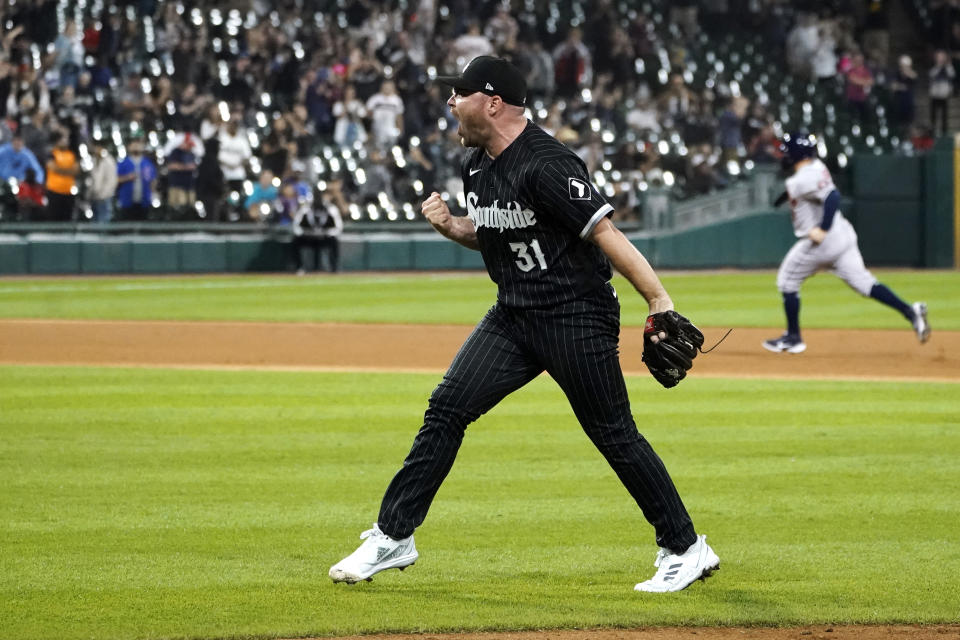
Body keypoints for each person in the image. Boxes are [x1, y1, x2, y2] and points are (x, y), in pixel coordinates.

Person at [329, 56, 720, 594]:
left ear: (492, 103)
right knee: (446, 409)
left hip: (575, 314)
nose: (449, 103)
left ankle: (685, 547)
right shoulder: (478, 165)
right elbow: (494, 231)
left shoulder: (547, 163)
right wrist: (451, 227)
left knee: (613, 434)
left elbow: (606, 233)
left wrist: (658, 299)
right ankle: (394, 536)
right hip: (513, 315)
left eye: (459, 94)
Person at [763, 132, 930, 354]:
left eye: (785, 152)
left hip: (823, 241)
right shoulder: (815, 167)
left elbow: (832, 197)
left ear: (795, 154)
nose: (782, 156)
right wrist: (787, 196)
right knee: (865, 283)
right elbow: (817, 190)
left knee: (787, 281)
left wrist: (822, 228)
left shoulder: (800, 180)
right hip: (843, 234)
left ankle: (793, 338)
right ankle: (911, 312)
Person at [116, 137, 157, 221]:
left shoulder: (147, 163)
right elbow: (116, 179)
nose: (136, 147)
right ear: (129, 147)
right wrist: (128, 177)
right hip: (127, 200)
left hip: (144, 200)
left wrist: (153, 193)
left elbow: (153, 180)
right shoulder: (123, 163)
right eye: (133, 145)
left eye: (138, 145)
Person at [44, 134, 79, 222]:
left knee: (67, 218)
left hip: (68, 191)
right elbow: (52, 167)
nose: (65, 142)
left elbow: (76, 170)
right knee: (54, 218)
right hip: (54, 190)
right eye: (63, 140)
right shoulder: (52, 153)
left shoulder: (71, 154)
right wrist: (68, 170)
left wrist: (60, 169)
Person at [88, 140, 117, 223]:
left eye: (98, 147)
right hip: (94, 197)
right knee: (94, 220)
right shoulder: (92, 161)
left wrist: (103, 194)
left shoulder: (109, 161)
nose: (96, 149)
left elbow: (112, 181)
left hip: (105, 197)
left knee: (103, 220)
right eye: (95, 147)